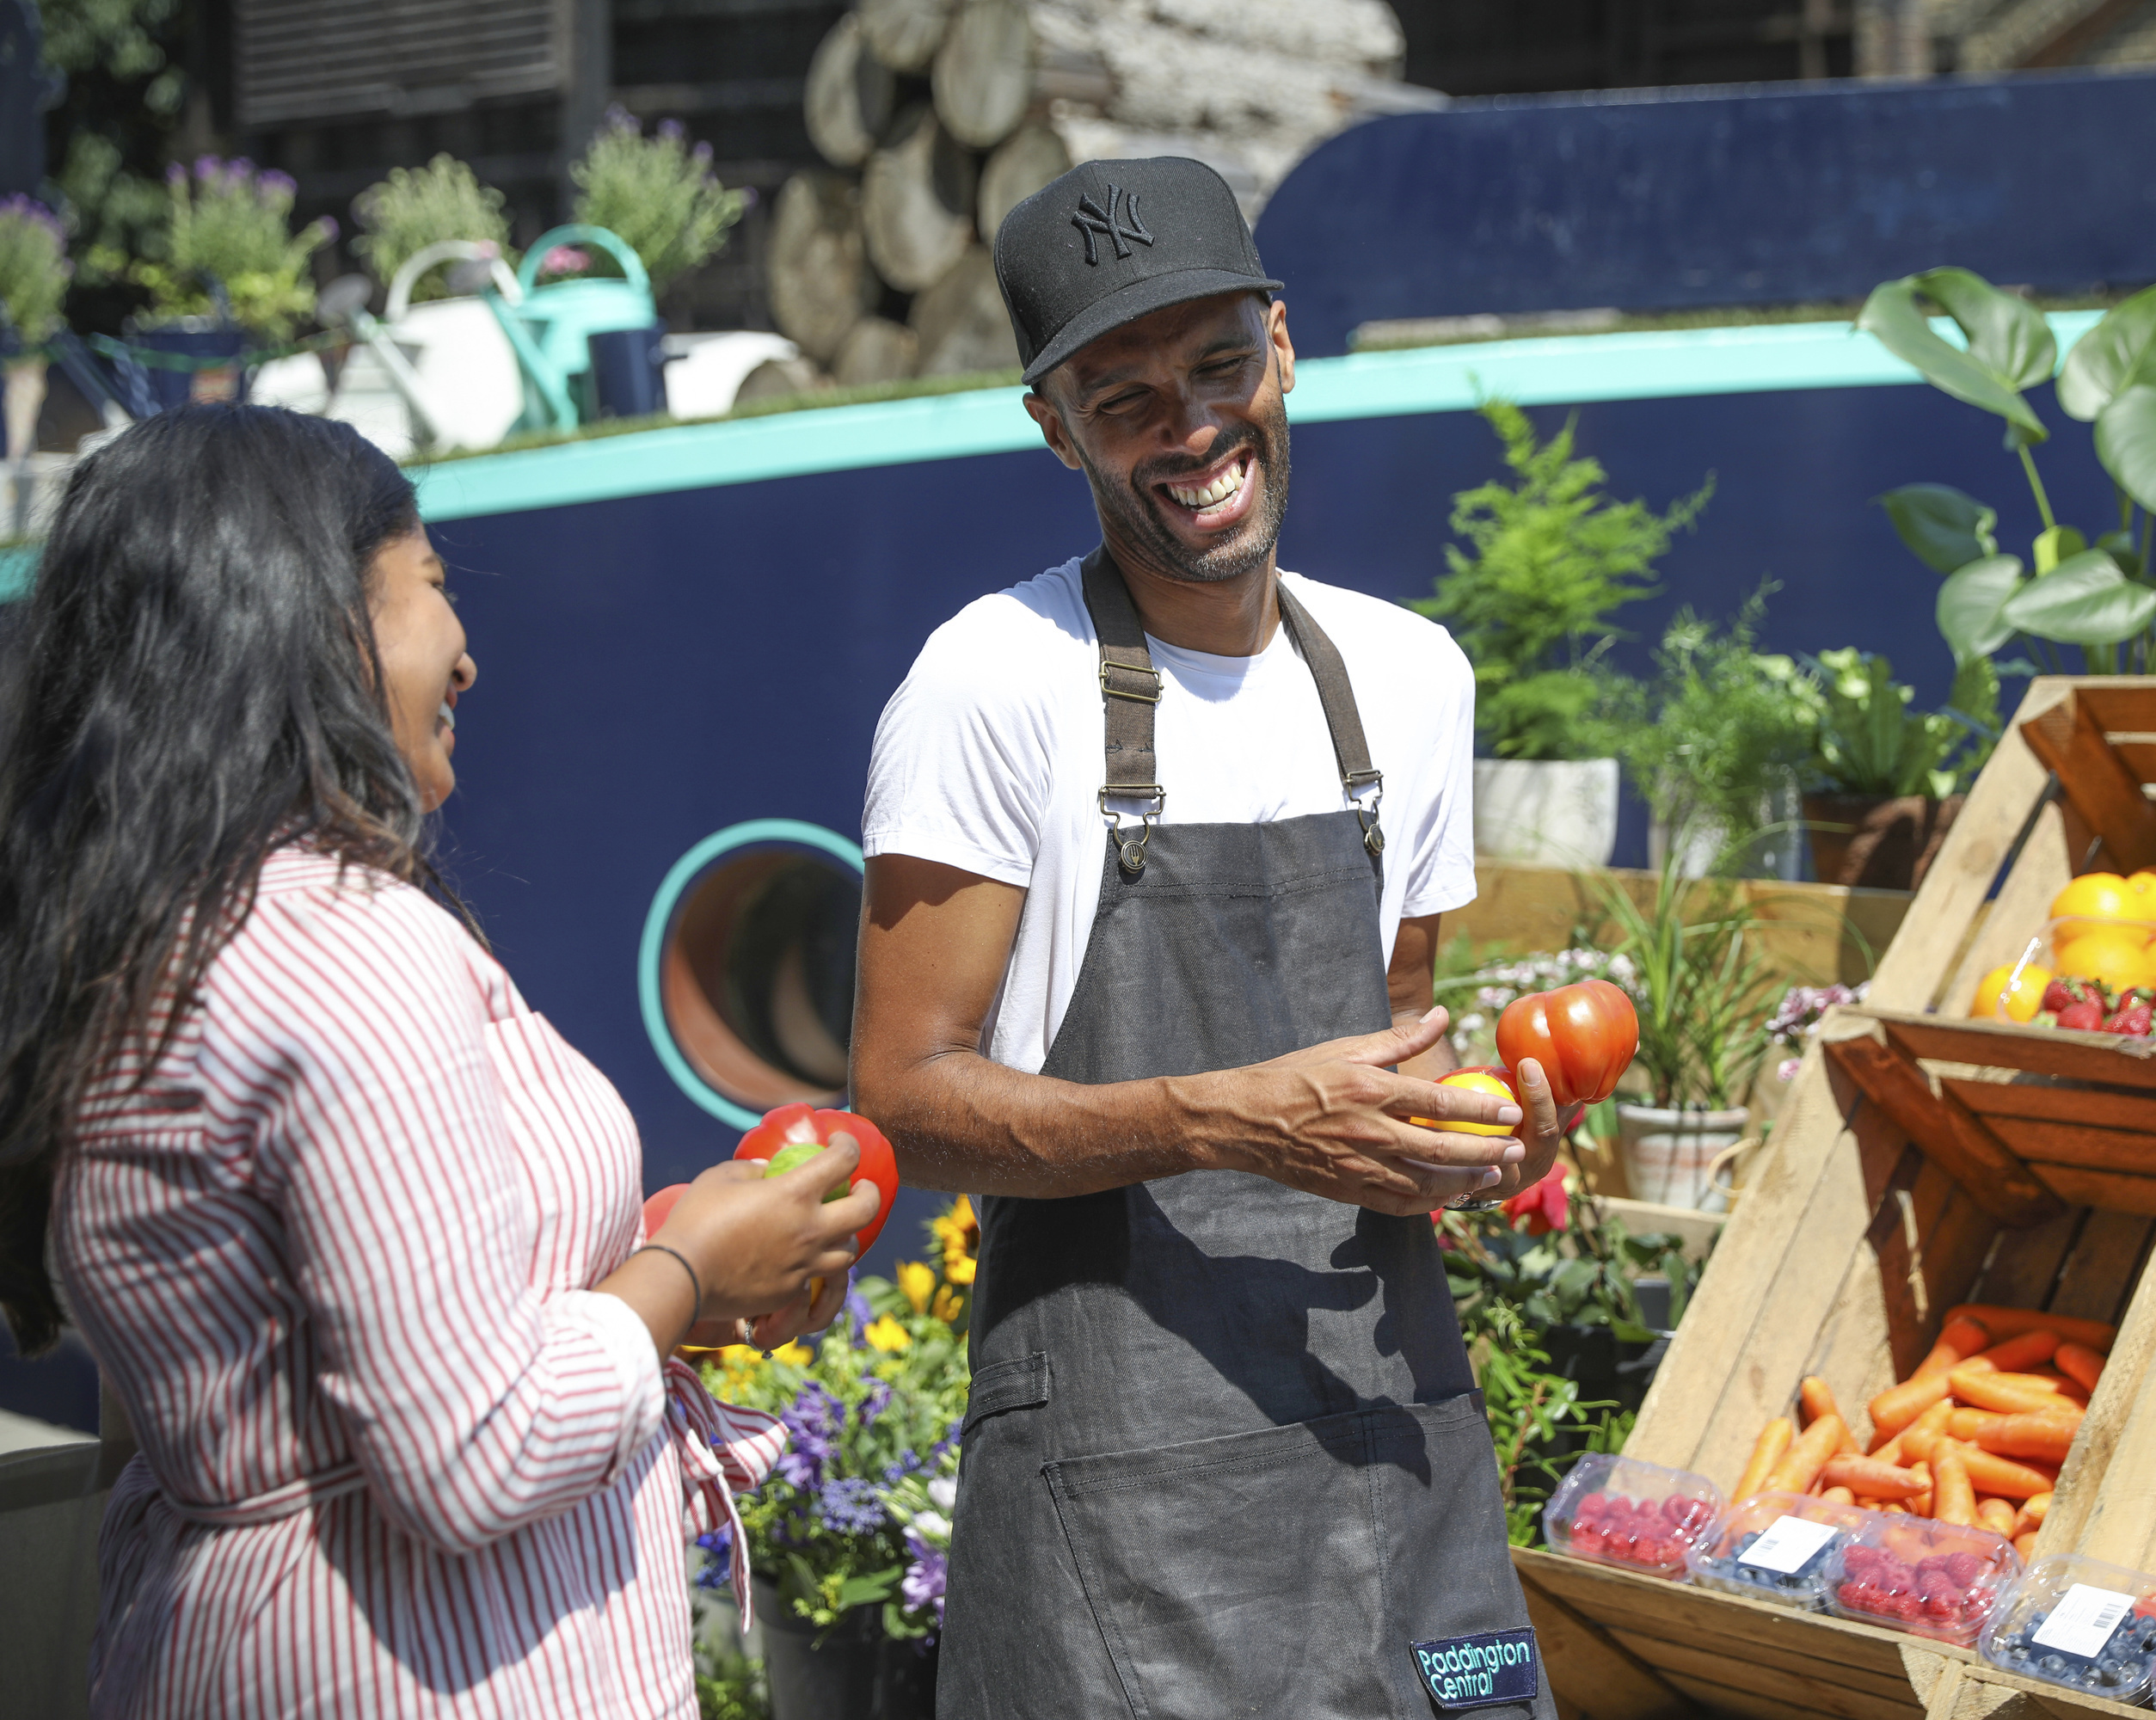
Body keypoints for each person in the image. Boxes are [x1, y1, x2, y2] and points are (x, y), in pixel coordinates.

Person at [0, 405, 875, 1717]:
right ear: (311, 626)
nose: (466, 658)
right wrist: (686, 1273)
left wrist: (625, 1260)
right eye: (431, 587)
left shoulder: (135, 941)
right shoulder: (347, 947)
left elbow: (203, 1389)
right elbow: (476, 1450)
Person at [852, 157, 1563, 1717]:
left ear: (1283, 347)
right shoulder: (992, 683)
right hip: (1125, 1487)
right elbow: (905, 1100)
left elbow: (1402, 1052)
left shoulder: (1408, 679)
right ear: (1057, 430)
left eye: (1219, 365)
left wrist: (1478, 1139)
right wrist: (1218, 1117)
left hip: (1393, 1438)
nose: (1189, 428)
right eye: (1125, 398)